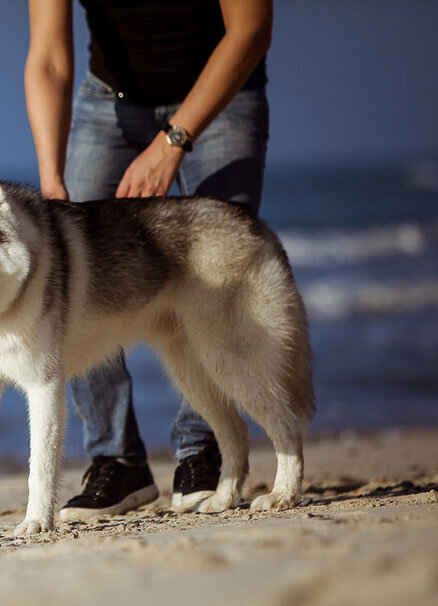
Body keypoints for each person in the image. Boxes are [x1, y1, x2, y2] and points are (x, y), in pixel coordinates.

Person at [24, 0, 273, 519]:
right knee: (72, 272)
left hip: (223, 90)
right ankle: (117, 460)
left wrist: (172, 143)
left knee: (213, 275)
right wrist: (50, 181)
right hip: (106, 99)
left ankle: (202, 452)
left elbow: (250, 30)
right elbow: (48, 57)